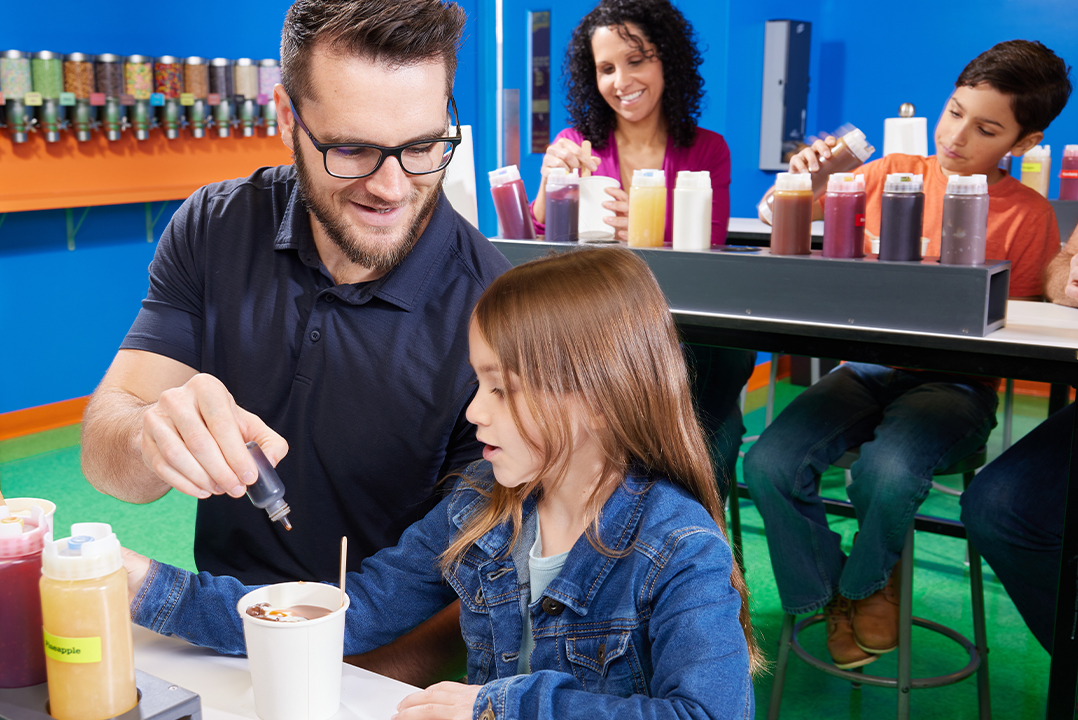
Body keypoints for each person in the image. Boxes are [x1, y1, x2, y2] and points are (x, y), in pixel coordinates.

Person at [123, 246, 761, 720]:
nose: (475, 411)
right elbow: (359, 611)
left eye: (502, 389)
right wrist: (148, 587)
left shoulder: (680, 550)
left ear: (594, 399)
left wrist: (498, 708)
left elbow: (707, 715)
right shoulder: (481, 505)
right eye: (478, 382)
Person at [79, 0, 512, 684]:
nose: (392, 187)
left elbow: (480, 598)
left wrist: (324, 687)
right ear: (286, 118)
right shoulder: (213, 228)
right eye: (352, 149)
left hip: (377, 677)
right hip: (217, 645)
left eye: (424, 146)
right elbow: (108, 456)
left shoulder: (498, 314)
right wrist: (149, 437)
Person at [744, 39, 1072, 670]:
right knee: (767, 463)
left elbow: (1021, 324)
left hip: (956, 386)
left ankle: (872, 580)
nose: (957, 136)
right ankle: (835, 589)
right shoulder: (888, 172)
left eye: (986, 129)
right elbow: (773, 214)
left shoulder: (1028, 216)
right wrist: (801, 182)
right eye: (954, 112)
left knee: (887, 474)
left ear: (1023, 144)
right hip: (864, 372)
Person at [531, 0, 753, 503]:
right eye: (606, 68)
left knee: (704, 442)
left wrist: (651, 230)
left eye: (637, 60)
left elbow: (712, 245)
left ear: (667, 61)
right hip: (611, 328)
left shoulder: (707, 149)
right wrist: (551, 180)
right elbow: (541, 230)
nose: (621, 80)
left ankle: (695, 555)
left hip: (694, 333)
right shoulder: (577, 144)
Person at [960, 223, 1078, 654]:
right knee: (1000, 506)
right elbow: (1062, 268)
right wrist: (1069, 283)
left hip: (958, 391)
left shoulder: (1027, 213)